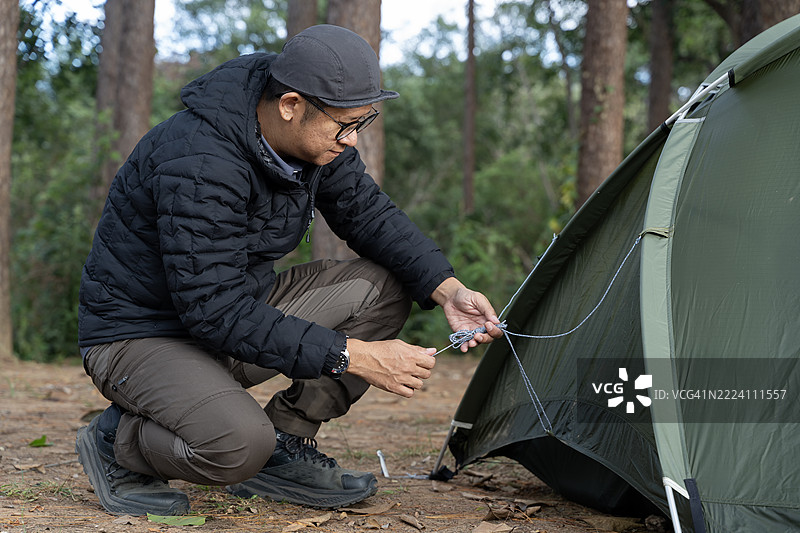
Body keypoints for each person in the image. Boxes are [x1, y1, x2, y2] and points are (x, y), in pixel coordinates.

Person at [75, 24, 502, 516]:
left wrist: (447, 290)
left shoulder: (316, 146)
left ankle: (286, 443)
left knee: (384, 286)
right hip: (139, 336)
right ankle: (118, 442)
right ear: (291, 104)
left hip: (227, 315)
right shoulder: (199, 159)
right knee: (237, 446)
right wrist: (351, 356)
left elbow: (370, 216)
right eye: (344, 125)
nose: (352, 139)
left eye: (361, 123)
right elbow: (214, 310)